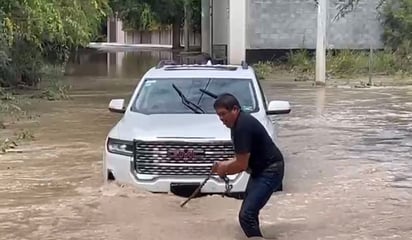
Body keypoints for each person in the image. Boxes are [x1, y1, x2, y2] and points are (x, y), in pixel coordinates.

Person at [211, 93, 285, 239]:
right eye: (218, 115)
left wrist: (224, 169)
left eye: (223, 114)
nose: (221, 119)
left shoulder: (242, 127)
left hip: (270, 170)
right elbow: (242, 157)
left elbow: (241, 164)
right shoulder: (237, 123)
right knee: (249, 213)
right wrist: (224, 165)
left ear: (235, 109)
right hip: (260, 170)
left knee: (246, 215)